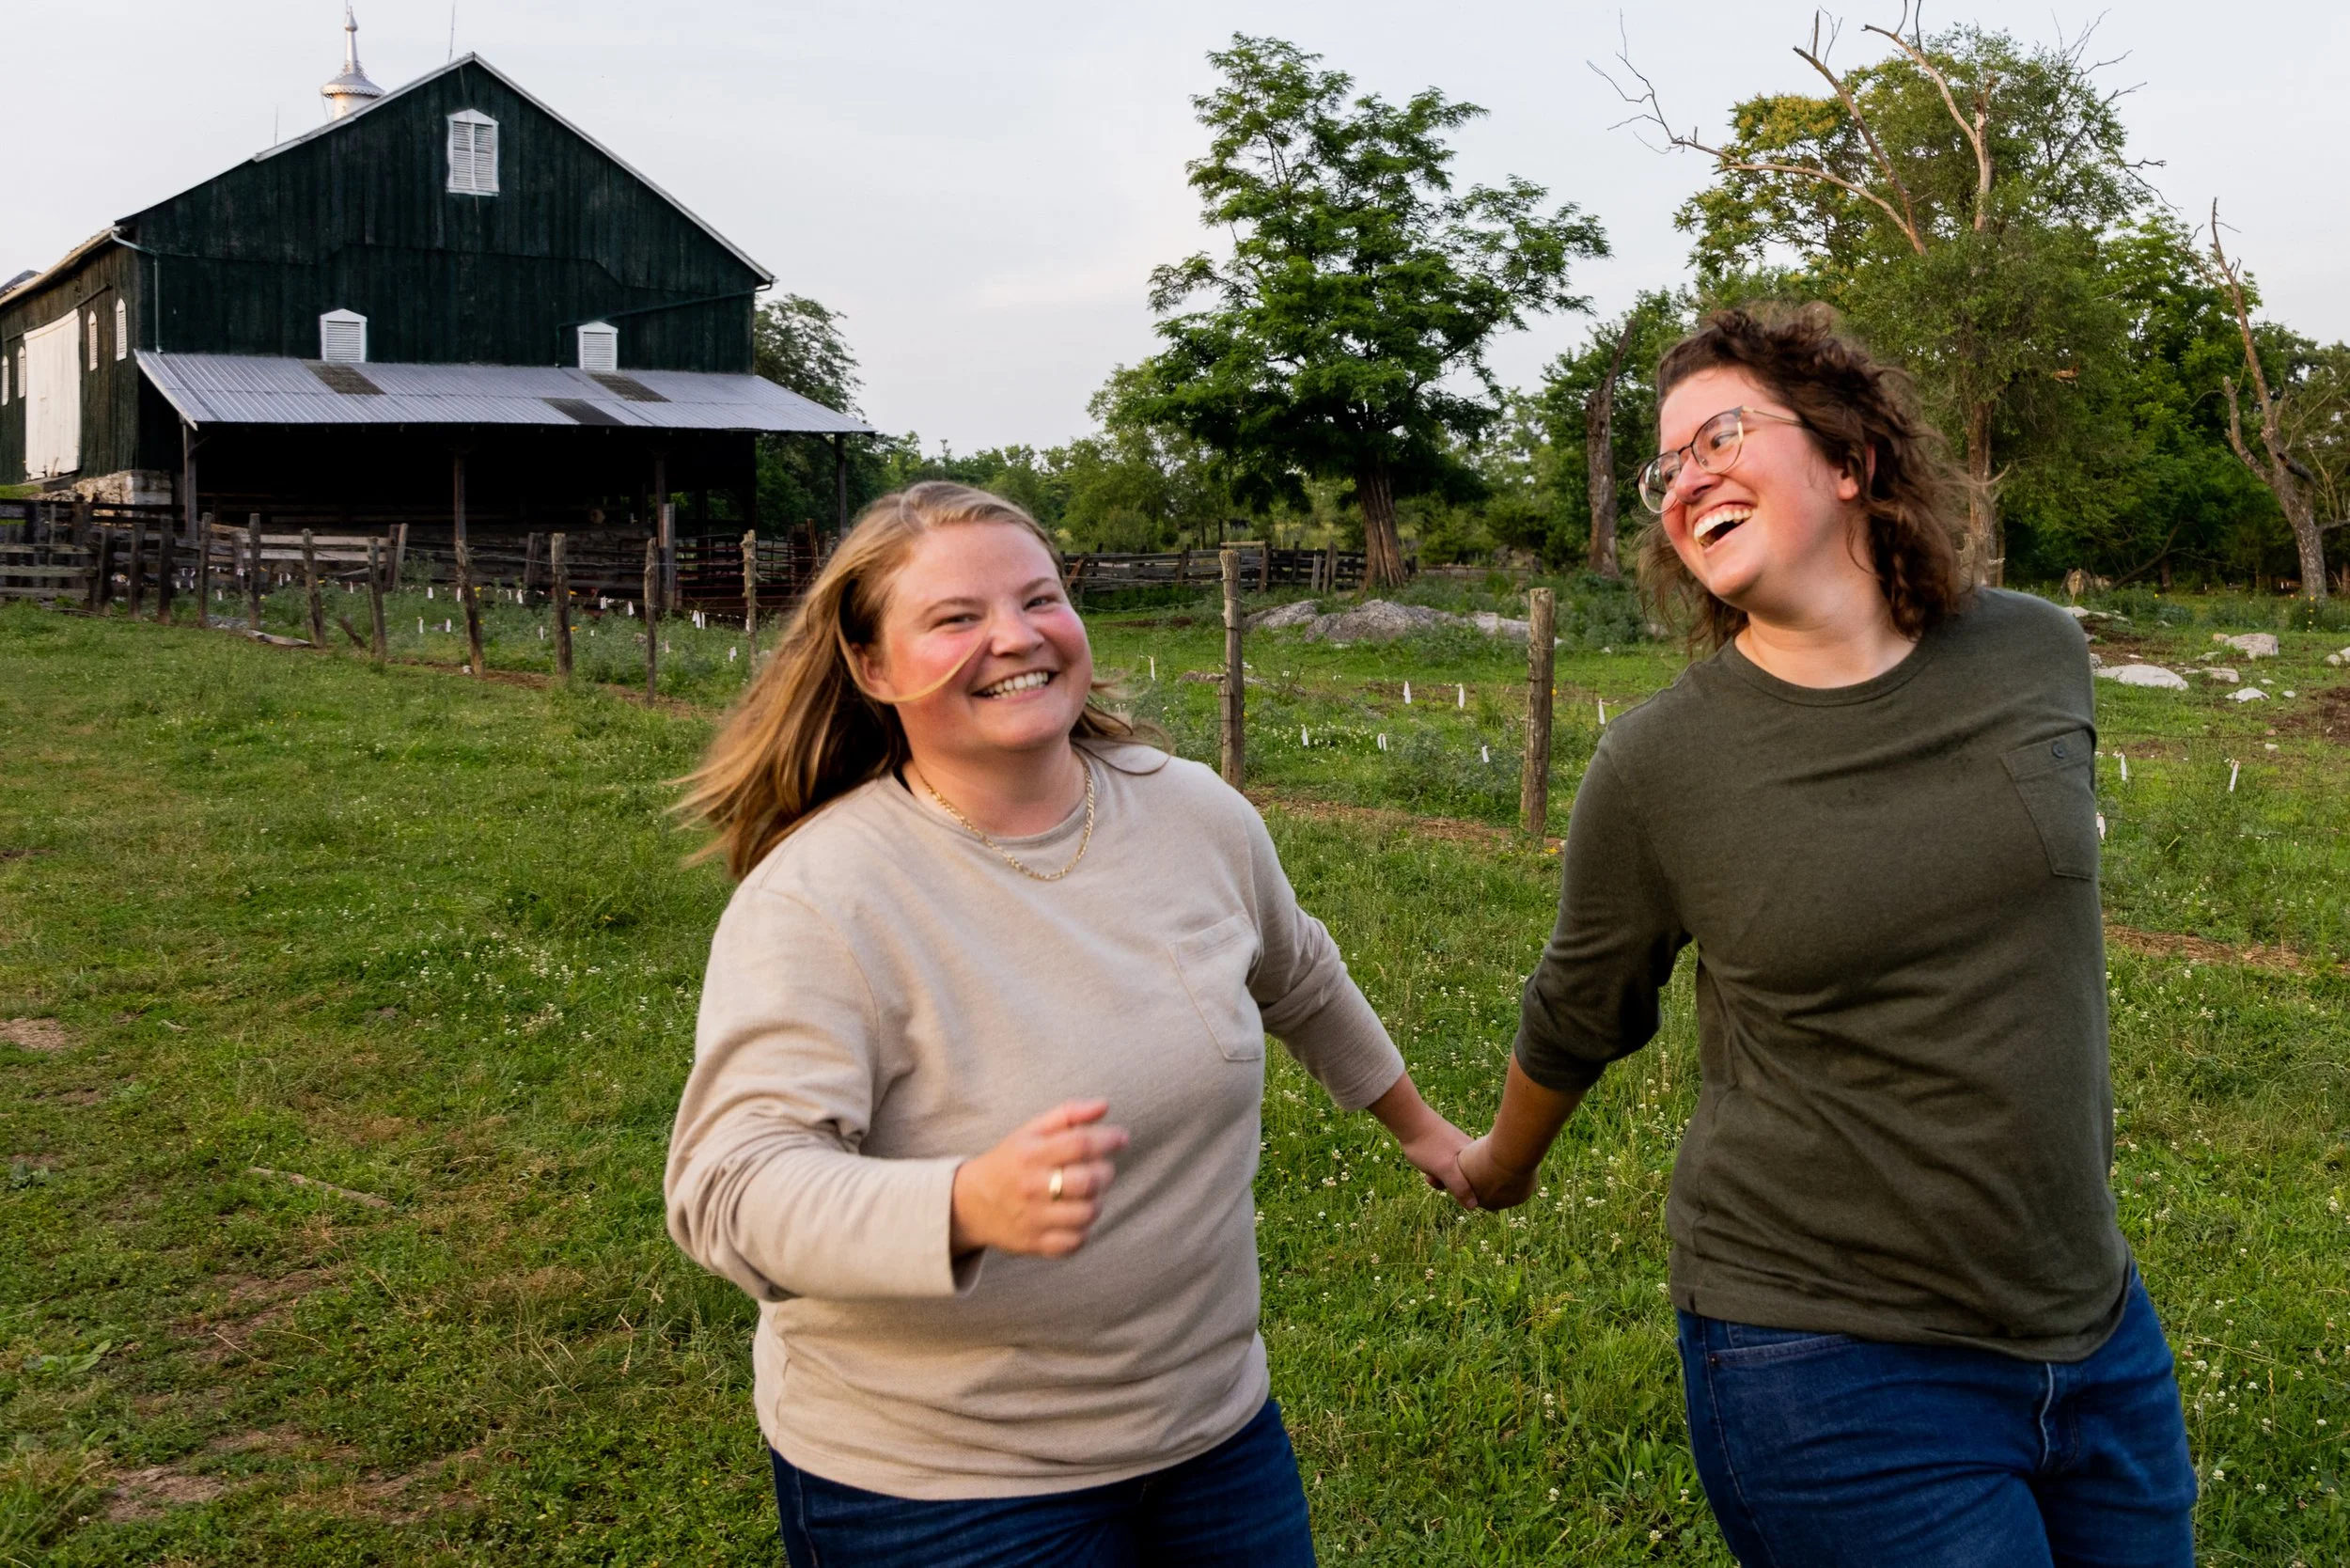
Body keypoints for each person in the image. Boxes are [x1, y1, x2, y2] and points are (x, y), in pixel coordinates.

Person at [1456, 306, 2197, 1566]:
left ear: (1850, 458)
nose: (1687, 481)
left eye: (1721, 435)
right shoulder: (1660, 765)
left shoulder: (2035, 653)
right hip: (1826, 1352)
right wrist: (1502, 1165)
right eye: (1666, 467)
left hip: (2094, 1323)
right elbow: (1581, 1006)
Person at [666, 481, 1474, 1567]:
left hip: (1215, 1437)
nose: (1014, 637)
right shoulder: (823, 896)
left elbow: (1300, 975)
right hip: (943, 1487)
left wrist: (1423, 1131)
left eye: (1038, 598)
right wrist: (960, 1203)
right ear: (872, 668)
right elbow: (727, 1190)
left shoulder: (1191, 812)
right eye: (954, 619)